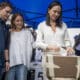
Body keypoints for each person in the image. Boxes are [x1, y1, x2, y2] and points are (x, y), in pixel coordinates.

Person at [35, 1, 75, 80]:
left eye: (59, 12)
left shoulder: (63, 25)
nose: (56, 14)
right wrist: (49, 47)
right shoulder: (42, 25)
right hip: (47, 58)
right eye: (54, 11)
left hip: (61, 58)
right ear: (49, 10)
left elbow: (67, 40)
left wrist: (69, 47)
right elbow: (37, 43)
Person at [5, 13, 34, 80]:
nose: (20, 22)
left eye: (21, 20)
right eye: (17, 21)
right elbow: (6, 48)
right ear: (13, 22)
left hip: (23, 63)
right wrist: (7, 61)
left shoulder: (27, 32)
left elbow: (33, 44)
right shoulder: (9, 33)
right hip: (11, 64)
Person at [0, 2, 12, 80]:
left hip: (2, 63)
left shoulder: (5, 26)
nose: (8, 15)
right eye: (6, 12)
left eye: (9, 13)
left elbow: (6, 46)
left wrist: (7, 61)